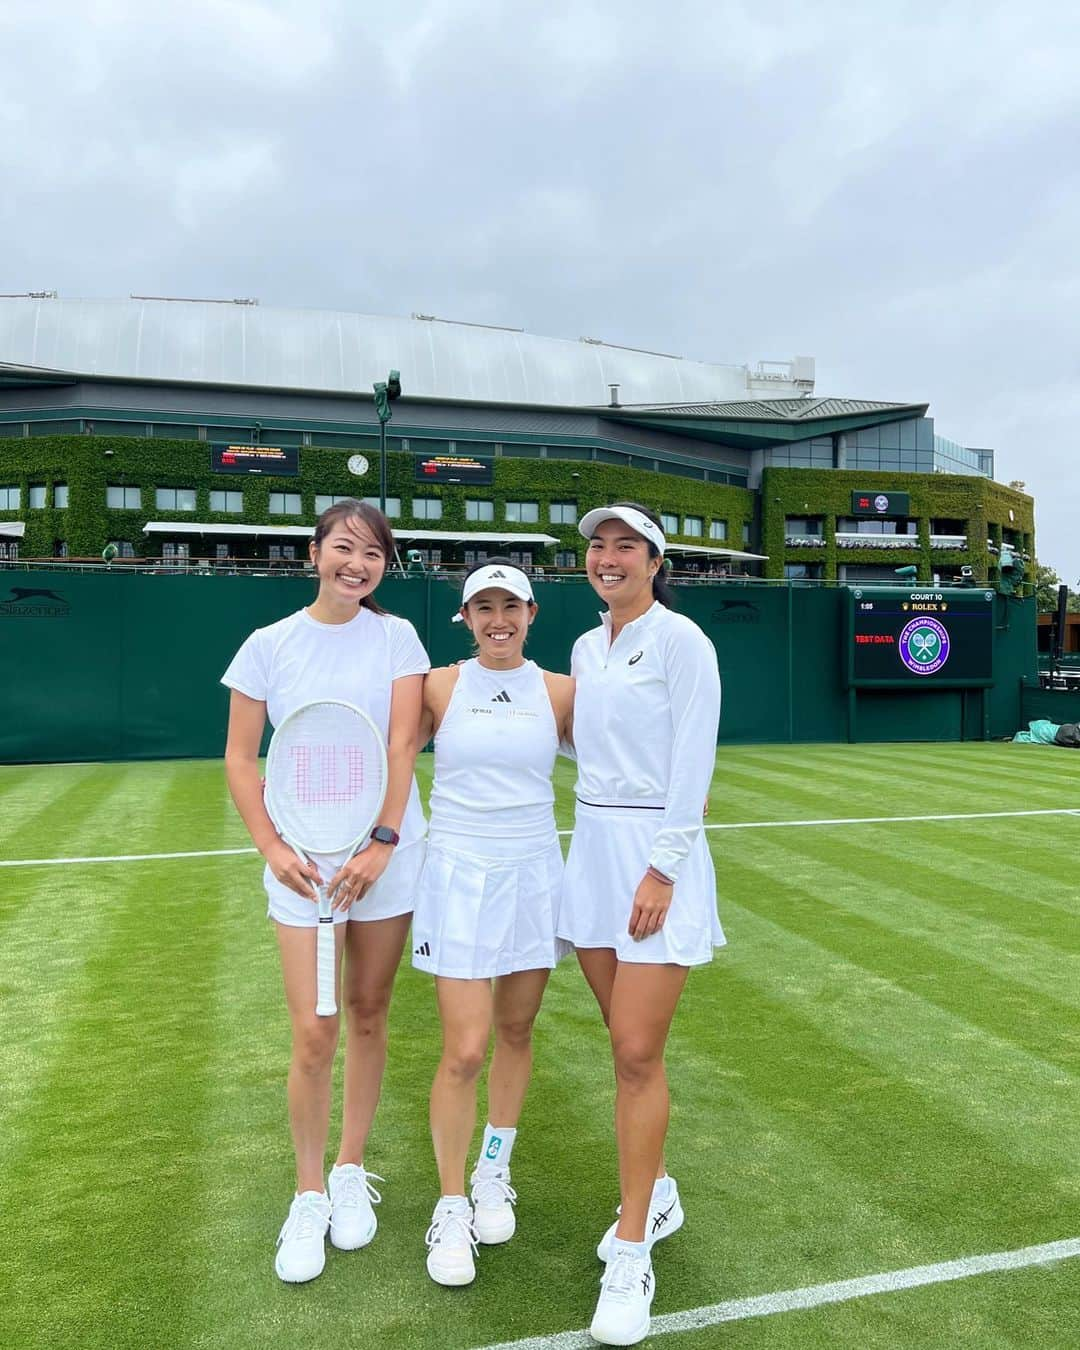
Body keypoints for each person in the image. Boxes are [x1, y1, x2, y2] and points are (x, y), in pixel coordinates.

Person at [222, 499, 429, 1284]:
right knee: (314, 1032)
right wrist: (273, 846)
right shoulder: (267, 645)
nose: (358, 563)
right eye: (345, 548)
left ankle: (348, 1170)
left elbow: (402, 742)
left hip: (385, 860)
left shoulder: (398, 637)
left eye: (373, 554)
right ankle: (307, 1192)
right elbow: (243, 759)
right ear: (314, 553)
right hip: (302, 865)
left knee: (370, 1012)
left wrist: (381, 840)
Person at [557, 502, 723, 1347]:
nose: (609, 556)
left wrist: (664, 866)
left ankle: (633, 1247)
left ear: (656, 561)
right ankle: (653, 1188)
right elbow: (589, 748)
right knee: (619, 1042)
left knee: (635, 1051)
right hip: (590, 852)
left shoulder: (684, 641)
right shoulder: (589, 647)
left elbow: (695, 755)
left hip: (655, 855)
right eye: (599, 545)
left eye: (627, 546)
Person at [411, 559, 574, 1287]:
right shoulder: (439, 685)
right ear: (467, 618)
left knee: (516, 1032)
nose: (498, 618)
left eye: (511, 605)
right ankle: (450, 1205)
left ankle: (492, 1172)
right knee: (465, 1050)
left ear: (531, 614)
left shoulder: (561, 692)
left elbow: (618, 760)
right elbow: (386, 759)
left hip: (535, 872)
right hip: (457, 875)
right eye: (485, 607)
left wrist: (679, 792)